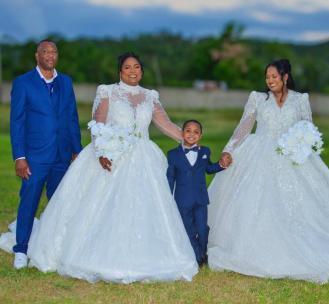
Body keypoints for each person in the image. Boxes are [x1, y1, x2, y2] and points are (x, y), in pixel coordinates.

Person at [1, 52, 198, 283]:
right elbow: (97, 125)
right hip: (112, 157)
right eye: (127, 68)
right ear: (120, 72)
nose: (132, 71)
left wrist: (187, 140)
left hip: (144, 158)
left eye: (136, 67)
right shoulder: (108, 92)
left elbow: (165, 124)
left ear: (142, 71)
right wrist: (102, 151)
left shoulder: (150, 97)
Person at [207, 59, 329, 284]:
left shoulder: (300, 99)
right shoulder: (258, 98)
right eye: (267, 77)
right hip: (259, 153)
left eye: (274, 77)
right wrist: (228, 150)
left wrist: (303, 144)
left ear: (285, 77)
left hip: (292, 155)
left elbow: (308, 128)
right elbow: (243, 127)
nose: (269, 81)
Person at [8, 39, 82, 269]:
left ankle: (55, 248)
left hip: (62, 155)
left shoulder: (65, 82)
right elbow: (17, 122)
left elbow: (71, 117)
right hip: (35, 157)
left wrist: (76, 150)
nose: (50, 55)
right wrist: (20, 156)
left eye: (54, 52)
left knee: (61, 203)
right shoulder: (23, 83)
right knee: (28, 202)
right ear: (37, 55)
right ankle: (21, 249)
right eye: (45, 51)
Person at [167, 119, 226, 265]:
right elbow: (170, 178)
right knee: (189, 230)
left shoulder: (205, 151)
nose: (191, 134)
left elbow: (209, 169)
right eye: (188, 130)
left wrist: (220, 165)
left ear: (200, 135)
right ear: (182, 133)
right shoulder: (173, 154)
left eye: (196, 132)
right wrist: (167, 197)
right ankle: (198, 256)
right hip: (182, 200)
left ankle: (203, 250)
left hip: (200, 199)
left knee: (202, 228)